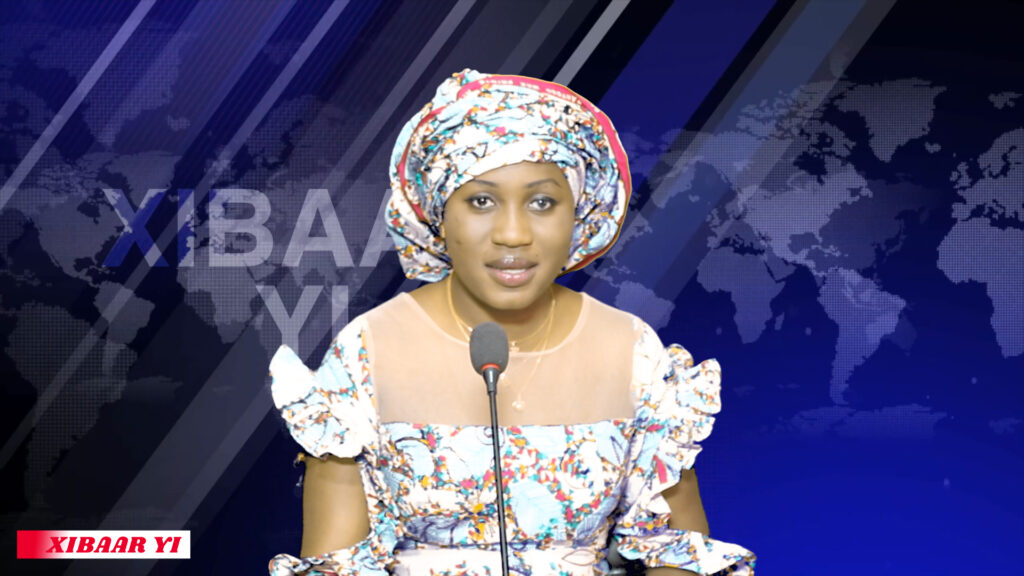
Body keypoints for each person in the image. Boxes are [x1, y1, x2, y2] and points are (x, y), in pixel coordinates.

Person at [267, 69, 756, 576]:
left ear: (577, 214)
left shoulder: (632, 350)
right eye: (481, 201)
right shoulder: (367, 351)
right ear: (439, 214)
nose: (513, 234)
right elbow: (335, 565)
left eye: (542, 202)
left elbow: (676, 554)